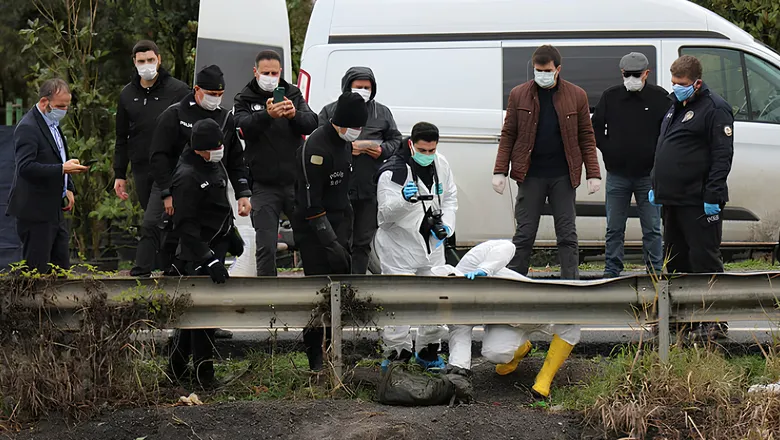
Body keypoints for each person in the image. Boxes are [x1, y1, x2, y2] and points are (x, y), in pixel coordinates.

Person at [492, 45, 601, 280]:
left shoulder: (577, 95)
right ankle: (515, 279)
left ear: (558, 69)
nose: (542, 74)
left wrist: (593, 173)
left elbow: (586, 135)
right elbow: (509, 133)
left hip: (563, 174)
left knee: (567, 233)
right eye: (537, 70)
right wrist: (500, 170)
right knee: (524, 233)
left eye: (547, 70)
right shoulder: (518, 94)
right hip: (530, 174)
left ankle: (570, 282)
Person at [138, 65, 251, 278]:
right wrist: (166, 192)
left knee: (209, 225)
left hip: (209, 183)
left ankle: (189, 268)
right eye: (211, 94)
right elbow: (158, 155)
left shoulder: (225, 118)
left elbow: (236, 160)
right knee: (154, 224)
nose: (215, 99)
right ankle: (141, 276)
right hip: (172, 180)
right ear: (197, 89)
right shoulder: (175, 113)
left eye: (219, 95)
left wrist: (242, 193)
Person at [650, 55, 734, 339]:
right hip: (673, 199)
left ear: (697, 82)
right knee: (674, 260)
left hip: (699, 200)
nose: (676, 88)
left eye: (682, 84)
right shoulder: (675, 106)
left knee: (704, 259)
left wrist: (712, 194)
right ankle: (677, 318)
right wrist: (657, 184)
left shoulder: (715, 109)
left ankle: (712, 321)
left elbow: (722, 156)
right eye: (673, 83)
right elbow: (665, 147)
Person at [431, 240, 581, 398]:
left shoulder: (470, 263)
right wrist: (458, 372)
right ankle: (522, 348)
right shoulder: (455, 311)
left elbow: (507, 246)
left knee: (568, 322)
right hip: (506, 322)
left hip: (531, 306)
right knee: (496, 354)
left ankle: (545, 377)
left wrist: (485, 269)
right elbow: (459, 339)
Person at [292, 91, 368, 370]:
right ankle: (314, 358)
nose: (357, 133)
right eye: (354, 127)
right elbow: (311, 204)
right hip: (314, 228)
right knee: (317, 295)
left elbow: (342, 192)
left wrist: (343, 236)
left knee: (340, 293)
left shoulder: (344, 143)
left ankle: (335, 350)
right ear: (339, 122)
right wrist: (330, 243)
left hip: (338, 221)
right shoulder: (316, 147)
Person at [375, 122, 458, 369]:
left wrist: (447, 227)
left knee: (436, 299)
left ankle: (428, 351)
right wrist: (403, 200)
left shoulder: (440, 164)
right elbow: (384, 216)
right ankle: (396, 354)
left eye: (432, 150)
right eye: (423, 150)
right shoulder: (393, 172)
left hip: (431, 243)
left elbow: (450, 197)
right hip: (399, 246)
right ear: (411, 144)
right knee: (398, 301)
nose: (428, 155)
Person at [168, 119, 243, 386]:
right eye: (215, 146)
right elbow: (185, 225)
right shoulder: (187, 175)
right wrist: (207, 258)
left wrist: (231, 233)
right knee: (201, 316)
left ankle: (176, 369)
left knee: (198, 314)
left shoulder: (214, 164)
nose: (221, 149)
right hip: (197, 251)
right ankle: (204, 375)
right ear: (200, 148)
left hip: (217, 242)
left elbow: (220, 202)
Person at [234, 50, 318, 276]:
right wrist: (267, 115)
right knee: (266, 245)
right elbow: (241, 128)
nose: (271, 77)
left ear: (281, 72)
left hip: (295, 182)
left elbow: (312, 123)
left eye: (275, 72)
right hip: (263, 184)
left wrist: (294, 116)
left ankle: (315, 288)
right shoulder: (245, 98)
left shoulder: (293, 93)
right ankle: (267, 294)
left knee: (309, 240)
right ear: (256, 72)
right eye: (266, 73)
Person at [591, 52, 670, 278]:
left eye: (637, 75)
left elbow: (669, 131)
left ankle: (655, 271)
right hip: (617, 174)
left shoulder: (659, 98)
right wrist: (608, 149)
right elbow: (595, 127)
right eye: (628, 75)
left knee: (653, 228)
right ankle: (612, 270)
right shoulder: (611, 97)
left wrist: (659, 156)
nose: (632, 78)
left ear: (647, 73)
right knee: (614, 227)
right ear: (621, 73)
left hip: (649, 176)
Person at [318, 67, 402, 274]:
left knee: (363, 240)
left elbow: (396, 140)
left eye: (367, 87)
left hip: (369, 185)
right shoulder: (330, 111)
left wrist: (382, 150)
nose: (363, 91)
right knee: (339, 238)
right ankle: (338, 284)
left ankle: (358, 285)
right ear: (348, 87)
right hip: (339, 186)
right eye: (358, 87)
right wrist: (347, 147)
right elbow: (318, 140)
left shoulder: (382, 112)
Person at [6, 78, 88, 273]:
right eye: (60, 106)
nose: (64, 110)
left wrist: (67, 187)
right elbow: (26, 167)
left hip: (54, 211)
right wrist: (62, 169)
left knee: (61, 271)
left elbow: (58, 155)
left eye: (67, 106)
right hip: (35, 213)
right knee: (37, 272)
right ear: (44, 102)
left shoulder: (52, 124)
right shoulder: (28, 127)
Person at [113, 40, 189, 213]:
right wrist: (120, 173)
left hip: (172, 167)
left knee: (166, 221)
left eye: (150, 60)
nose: (146, 65)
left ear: (159, 59)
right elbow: (121, 136)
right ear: (134, 62)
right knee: (150, 218)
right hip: (141, 167)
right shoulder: (127, 94)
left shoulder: (178, 90)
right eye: (141, 61)